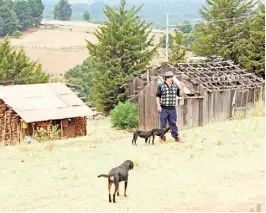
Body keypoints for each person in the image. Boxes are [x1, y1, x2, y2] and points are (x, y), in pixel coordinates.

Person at [156, 71, 182, 143]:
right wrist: (158, 106)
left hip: (172, 108)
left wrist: (182, 87)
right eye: (170, 77)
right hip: (164, 108)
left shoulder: (175, 86)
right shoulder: (161, 86)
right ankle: (162, 138)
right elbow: (157, 96)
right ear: (166, 78)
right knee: (163, 124)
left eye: (172, 77)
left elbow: (180, 94)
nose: (171, 79)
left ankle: (176, 137)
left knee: (173, 123)